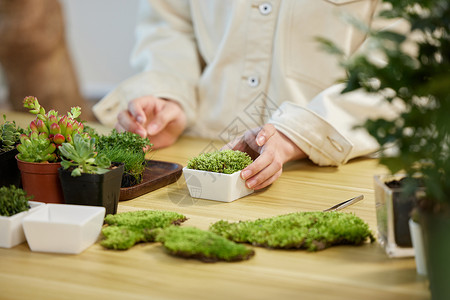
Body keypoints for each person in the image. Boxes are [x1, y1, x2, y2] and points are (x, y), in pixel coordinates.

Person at [93, 0, 404, 190]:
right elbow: (169, 26)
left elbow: (403, 64)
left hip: (338, 173)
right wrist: (171, 95)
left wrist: (299, 133)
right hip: (196, 153)